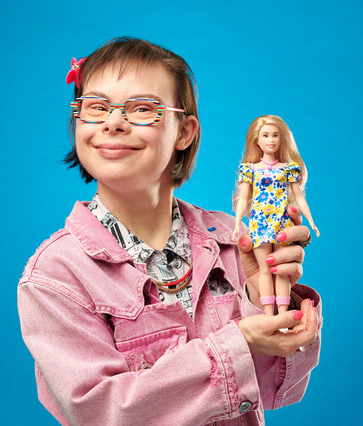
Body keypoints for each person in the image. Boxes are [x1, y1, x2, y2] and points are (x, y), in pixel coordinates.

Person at [17, 37, 322, 426]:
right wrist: (238, 342)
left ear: (184, 132)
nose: (112, 122)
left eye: (142, 108)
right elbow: (102, 413)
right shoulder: (55, 277)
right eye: (96, 107)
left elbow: (277, 390)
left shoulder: (229, 239)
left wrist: (263, 298)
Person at [233, 115, 320, 316]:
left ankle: (282, 313)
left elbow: (298, 197)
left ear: (282, 139)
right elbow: (244, 194)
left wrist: (312, 222)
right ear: (257, 139)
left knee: (280, 269)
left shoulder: (288, 169)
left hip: (282, 222)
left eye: (275, 135)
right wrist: (238, 222)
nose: (271, 140)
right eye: (265, 135)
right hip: (259, 223)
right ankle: (269, 315)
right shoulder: (251, 169)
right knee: (265, 269)